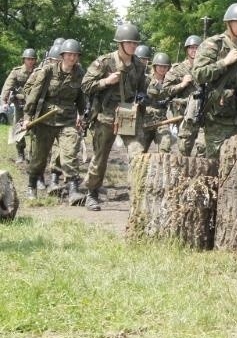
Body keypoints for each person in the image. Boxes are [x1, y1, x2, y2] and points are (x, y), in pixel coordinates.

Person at [81, 22, 149, 211]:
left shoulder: (138, 65)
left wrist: (143, 96)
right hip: (106, 116)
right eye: (129, 43)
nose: (133, 46)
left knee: (138, 154)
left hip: (128, 116)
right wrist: (105, 81)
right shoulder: (104, 62)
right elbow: (85, 85)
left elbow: (143, 87)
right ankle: (92, 193)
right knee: (100, 158)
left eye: (135, 43)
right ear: (120, 43)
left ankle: (138, 194)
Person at [21, 39, 85, 203]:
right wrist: (27, 117)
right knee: (39, 157)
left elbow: (81, 98)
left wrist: (82, 115)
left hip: (67, 121)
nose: (72, 58)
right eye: (69, 55)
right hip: (45, 120)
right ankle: (31, 186)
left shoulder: (79, 73)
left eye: (75, 55)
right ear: (62, 56)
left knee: (69, 154)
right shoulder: (48, 71)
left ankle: (73, 190)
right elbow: (34, 94)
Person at [191, 3, 237, 159]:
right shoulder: (213, 44)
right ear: (229, 23)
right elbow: (198, 74)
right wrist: (224, 63)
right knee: (216, 160)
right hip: (218, 115)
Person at [164, 35, 205, 156]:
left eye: (197, 47)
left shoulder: (206, 67)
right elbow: (165, 90)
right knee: (183, 148)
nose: (194, 50)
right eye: (191, 47)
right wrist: (182, 84)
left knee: (203, 148)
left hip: (203, 114)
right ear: (187, 50)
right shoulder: (177, 69)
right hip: (184, 116)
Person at [2, 48, 37, 163]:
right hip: (20, 106)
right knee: (18, 129)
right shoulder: (16, 72)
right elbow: (8, 86)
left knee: (35, 130)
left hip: (34, 106)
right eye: (28, 59)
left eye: (32, 59)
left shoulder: (38, 71)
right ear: (24, 59)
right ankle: (20, 154)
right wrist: (4, 100)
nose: (30, 61)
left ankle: (33, 155)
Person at [139, 52, 174, 153]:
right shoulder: (146, 80)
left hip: (162, 120)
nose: (162, 68)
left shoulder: (171, 82)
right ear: (154, 66)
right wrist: (141, 97)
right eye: (160, 66)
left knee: (165, 146)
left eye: (165, 66)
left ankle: (162, 168)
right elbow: (137, 93)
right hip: (146, 121)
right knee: (141, 150)